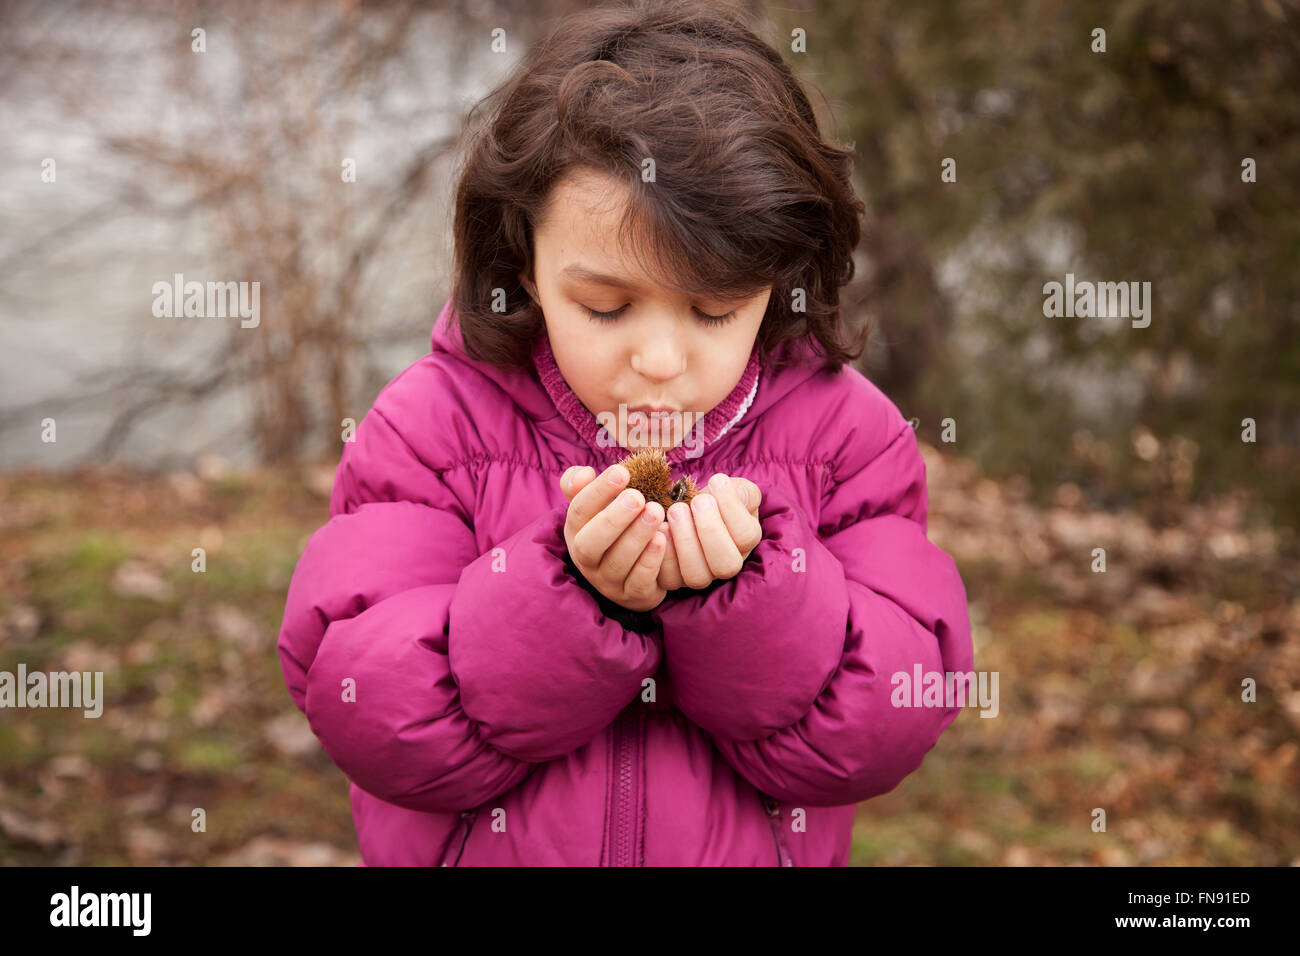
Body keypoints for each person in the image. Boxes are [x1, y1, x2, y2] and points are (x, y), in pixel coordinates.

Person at [277, 0, 973, 866]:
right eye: (605, 306)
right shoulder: (430, 429)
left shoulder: (848, 439)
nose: (658, 359)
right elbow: (368, 711)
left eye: (715, 310)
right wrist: (570, 599)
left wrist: (749, 597)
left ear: (782, 278)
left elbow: (891, 718)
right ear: (520, 257)